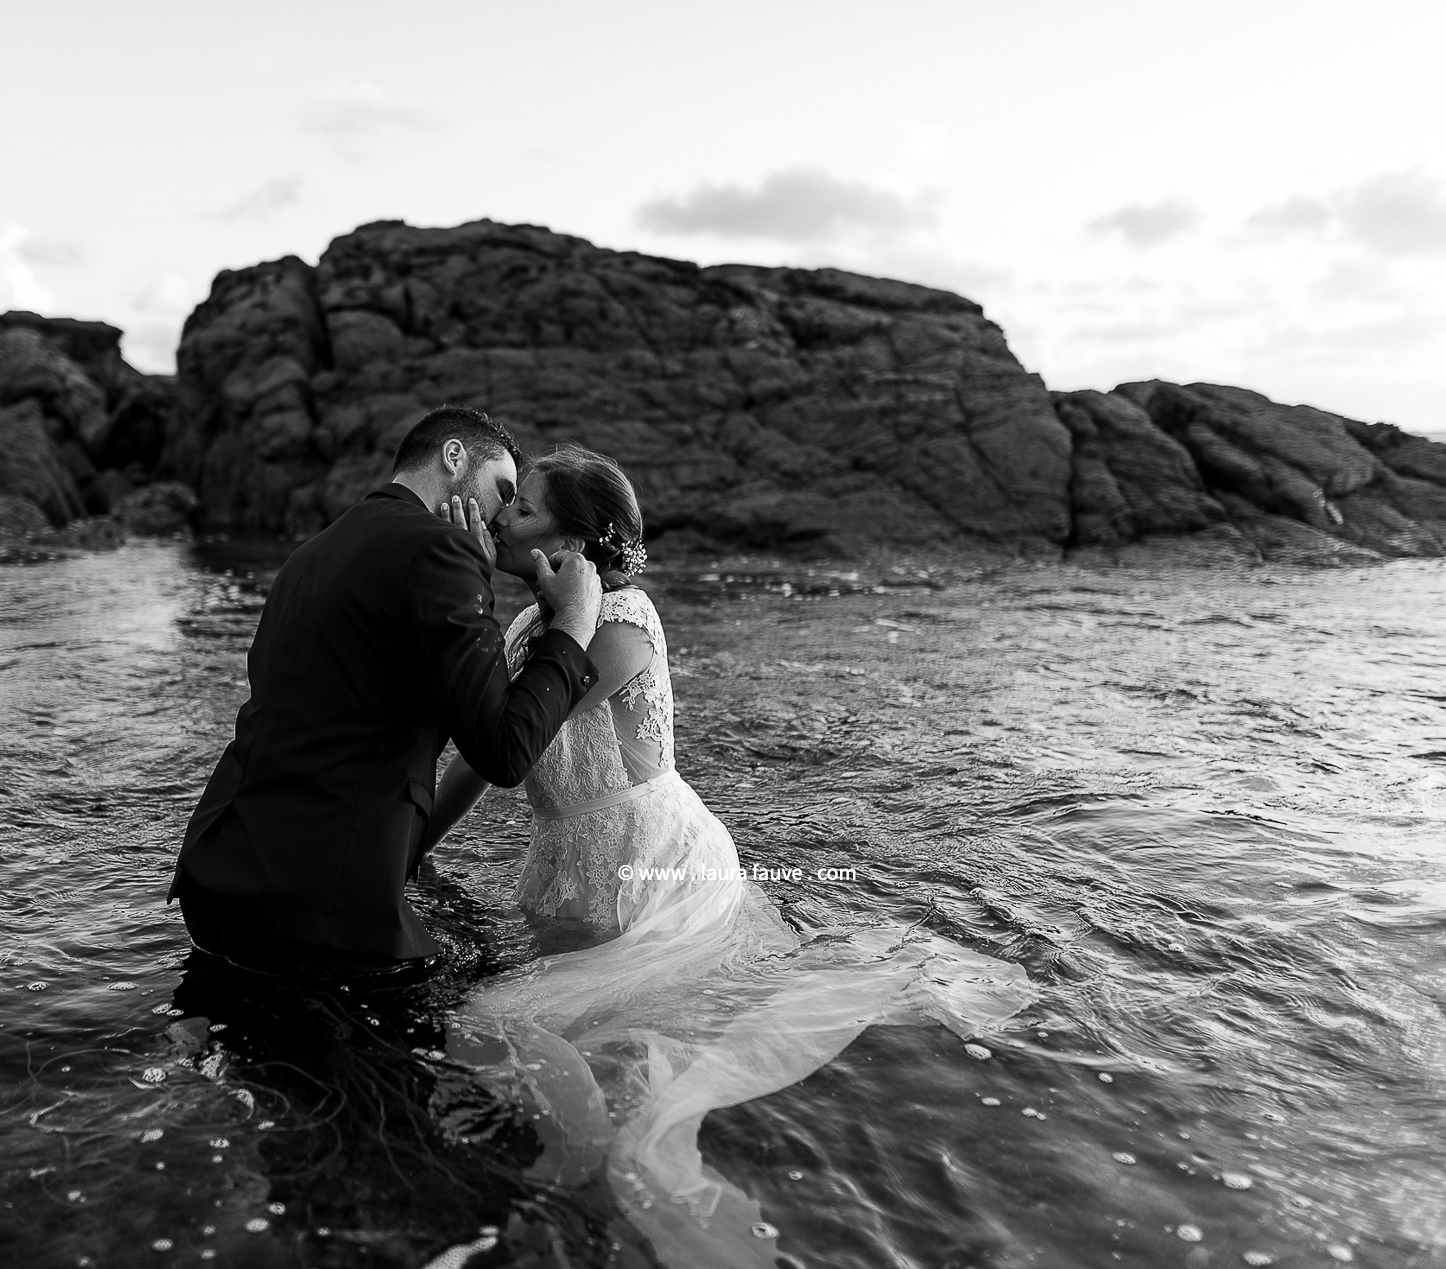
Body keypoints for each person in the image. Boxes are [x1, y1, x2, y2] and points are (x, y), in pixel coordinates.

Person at [420, 444, 1037, 1268]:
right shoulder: (535, 623)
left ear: (575, 543)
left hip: (654, 867)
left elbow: (507, 725)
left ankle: (580, 1167)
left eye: (521, 509)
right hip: (567, 870)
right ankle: (578, 1186)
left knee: (541, 1028)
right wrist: (410, 851)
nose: (501, 517)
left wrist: (454, 571)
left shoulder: (625, 622)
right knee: (601, 1034)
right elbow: (476, 762)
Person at [167, 405, 605, 981]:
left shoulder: (310, 554)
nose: (500, 518)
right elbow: (503, 749)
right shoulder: (442, 553)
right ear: (454, 458)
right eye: (502, 491)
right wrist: (573, 622)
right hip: (327, 909)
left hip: (222, 875)